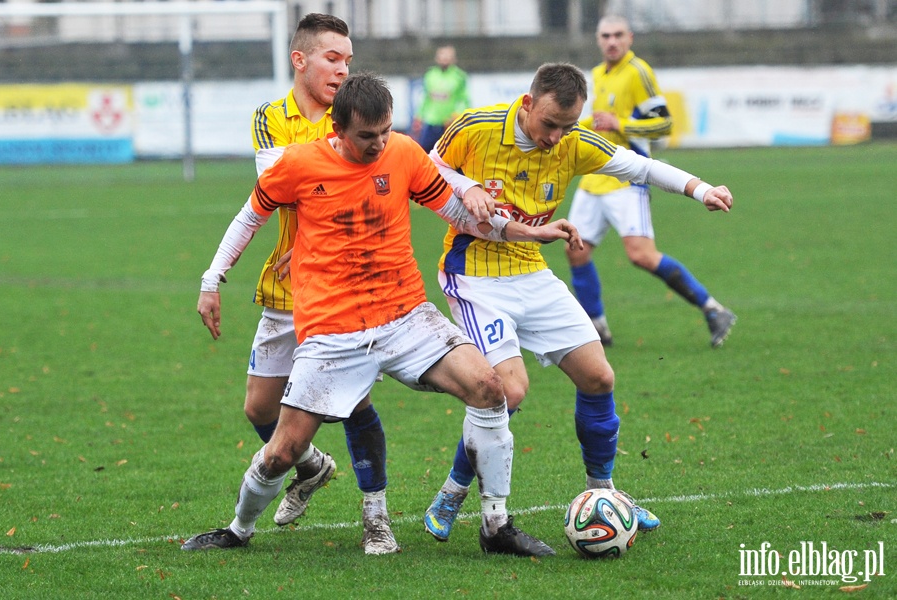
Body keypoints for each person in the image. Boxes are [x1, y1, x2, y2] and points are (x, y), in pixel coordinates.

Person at [183, 73, 583, 557]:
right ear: (337, 127)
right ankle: (238, 530)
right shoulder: (299, 164)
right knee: (284, 452)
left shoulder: (405, 153)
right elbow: (251, 216)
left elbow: (458, 213)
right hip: (332, 330)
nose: (378, 144)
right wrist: (212, 278)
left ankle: (495, 524)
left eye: (385, 132)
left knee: (489, 387)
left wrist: (523, 231)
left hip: (405, 314)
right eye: (366, 136)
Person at [421, 62, 734, 542]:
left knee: (599, 376)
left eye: (567, 126)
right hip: (475, 275)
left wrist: (702, 189)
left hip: (532, 270)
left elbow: (641, 166)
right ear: (527, 104)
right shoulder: (476, 127)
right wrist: (469, 186)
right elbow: (426, 169)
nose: (556, 138)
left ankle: (603, 494)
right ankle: (452, 492)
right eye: (550, 124)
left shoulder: (574, 141)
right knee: (509, 391)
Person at [196, 14, 397, 555]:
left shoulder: (353, 115)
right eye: (333, 58)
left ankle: (376, 516)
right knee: (260, 409)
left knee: (354, 404)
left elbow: (354, 178)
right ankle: (312, 468)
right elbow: (278, 189)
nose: (343, 68)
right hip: (287, 287)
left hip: (345, 288)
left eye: (348, 60)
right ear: (300, 60)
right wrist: (213, 278)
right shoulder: (270, 117)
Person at [565, 15, 736, 348]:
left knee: (641, 255)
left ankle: (713, 310)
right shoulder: (598, 74)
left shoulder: (638, 72)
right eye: (605, 36)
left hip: (628, 178)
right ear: (598, 40)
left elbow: (663, 125)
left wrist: (622, 123)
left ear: (629, 38)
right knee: (576, 251)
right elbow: (601, 122)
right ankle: (597, 327)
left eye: (617, 35)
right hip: (593, 178)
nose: (611, 41)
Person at [412, 45, 471, 153]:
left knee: (450, 154)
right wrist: (419, 116)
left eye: (448, 56)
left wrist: (456, 115)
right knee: (424, 152)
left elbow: (464, 100)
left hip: (449, 123)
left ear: (454, 59)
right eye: (442, 55)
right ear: (437, 58)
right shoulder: (430, 75)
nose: (444, 58)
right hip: (431, 121)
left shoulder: (459, 76)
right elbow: (426, 97)